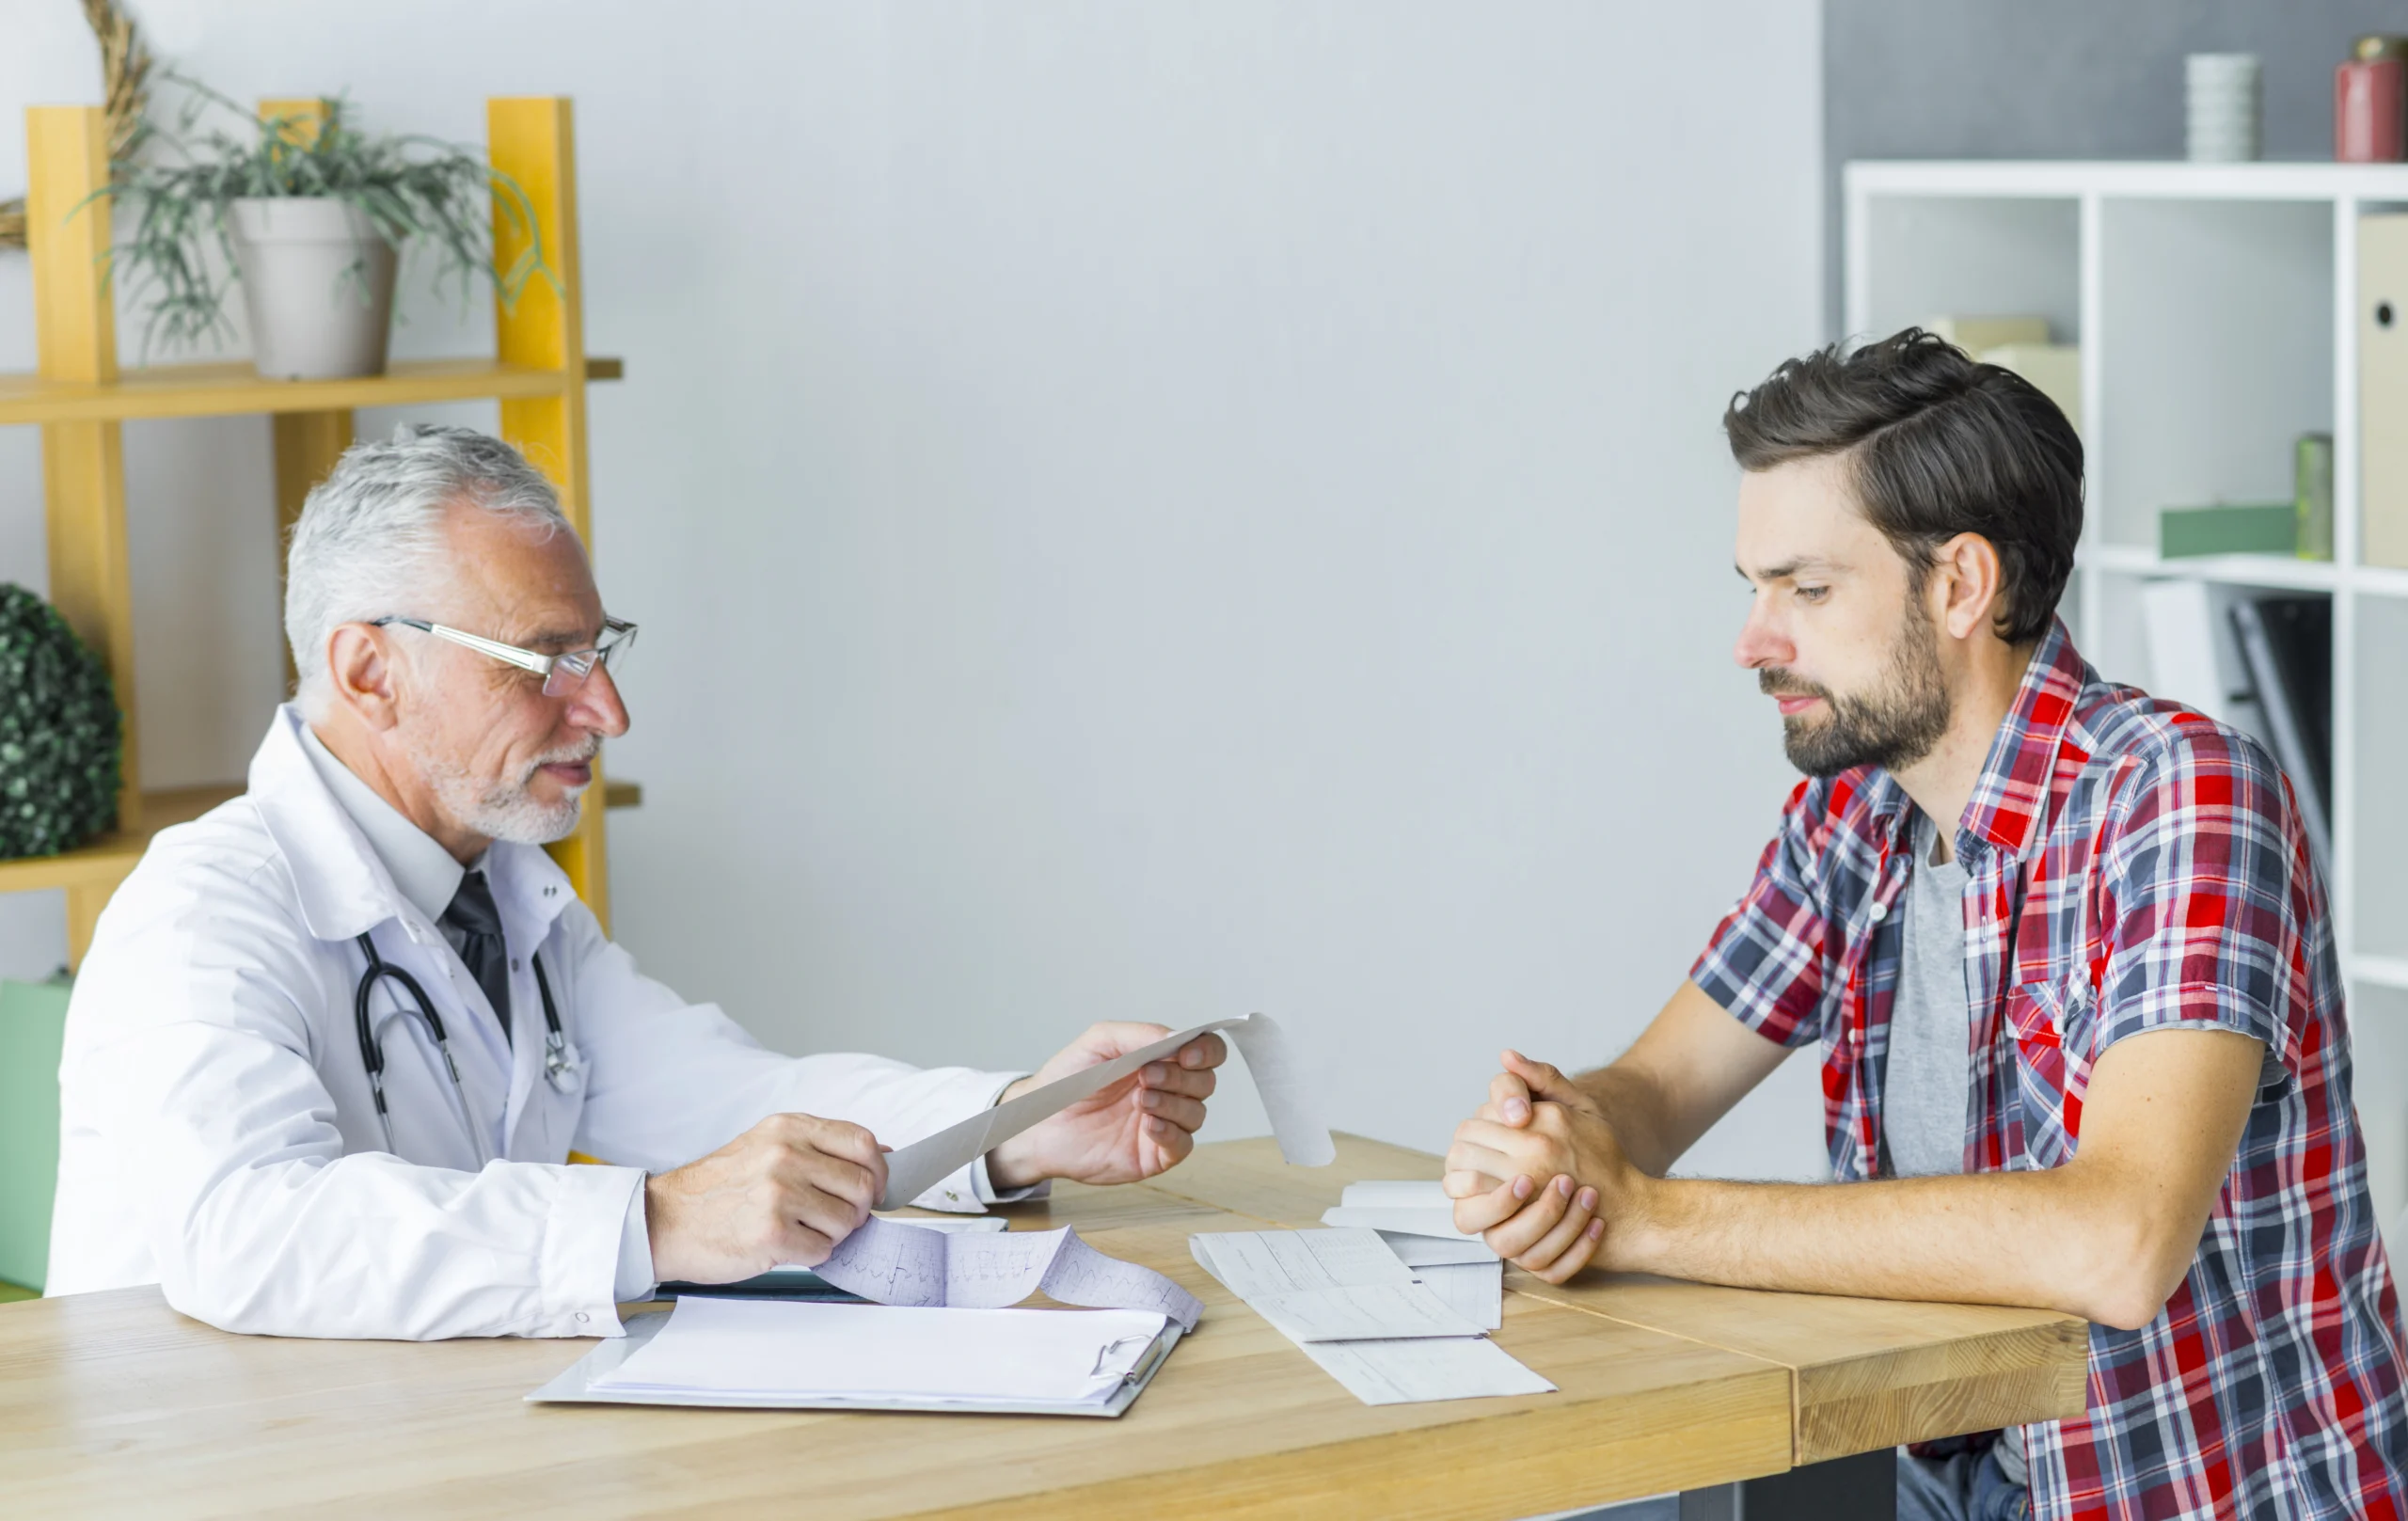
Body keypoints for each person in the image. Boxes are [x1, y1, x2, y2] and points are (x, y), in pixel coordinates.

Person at [1443, 331, 2408, 1519]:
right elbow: (1656, 1090)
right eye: (1752, 590)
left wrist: (1645, 1217)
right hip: (1943, 1479)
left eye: (1804, 589)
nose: (1752, 641)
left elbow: (2116, 1240)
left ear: (1959, 585)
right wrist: (1557, 1144)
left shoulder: (2179, 796)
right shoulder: (1854, 814)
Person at [46, 424, 1225, 1341]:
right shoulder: (204, 913)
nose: (606, 712)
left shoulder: (504, 896)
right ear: (370, 670)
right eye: (545, 663)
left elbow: (733, 1100)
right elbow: (244, 1234)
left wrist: (1016, 1121)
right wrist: (652, 1221)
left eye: (598, 653)